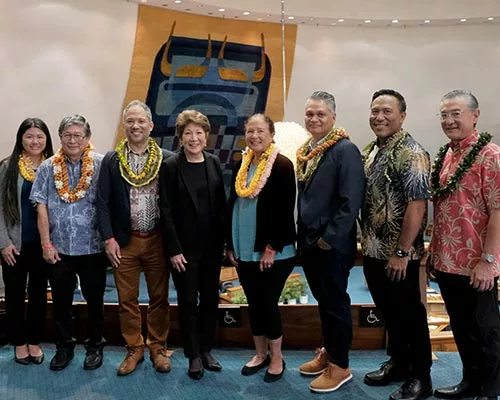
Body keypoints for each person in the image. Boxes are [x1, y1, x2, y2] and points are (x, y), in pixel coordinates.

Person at [361, 89, 433, 400]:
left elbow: (418, 206)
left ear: (402, 116)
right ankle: (399, 364)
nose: (379, 117)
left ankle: (421, 377)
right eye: (375, 110)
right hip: (373, 251)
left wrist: (402, 252)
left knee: (410, 314)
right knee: (390, 313)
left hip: (400, 254)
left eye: (387, 111)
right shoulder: (371, 151)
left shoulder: (412, 153)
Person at [430, 90, 500, 400]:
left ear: (475, 115)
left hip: (477, 262)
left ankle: (490, 389)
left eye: (456, 113)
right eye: (444, 114)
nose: (449, 120)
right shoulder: (446, 154)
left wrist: (488, 260)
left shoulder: (490, 155)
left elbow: (498, 210)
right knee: (461, 327)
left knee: (486, 331)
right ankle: (470, 381)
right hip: (447, 260)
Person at [96, 100, 173, 376]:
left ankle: (158, 347)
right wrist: (109, 238)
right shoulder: (112, 160)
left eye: (141, 121)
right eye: (130, 121)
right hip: (124, 242)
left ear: (151, 126)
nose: (136, 125)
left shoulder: (167, 158)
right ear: (124, 125)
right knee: (126, 299)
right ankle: (134, 348)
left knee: (159, 298)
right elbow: (102, 202)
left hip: (157, 240)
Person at [296, 91, 364, 393]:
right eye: (310, 113)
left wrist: (328, 239)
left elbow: (351, 202)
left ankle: (341, 366)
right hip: (310, 243)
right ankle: (328, 353)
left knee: (336, 305)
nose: (314, 119)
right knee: (324, 304)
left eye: (320, 114)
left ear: (333, 117)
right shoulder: (310, 149)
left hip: (331, 245)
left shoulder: (345, 150)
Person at [30, 114, 108, 371]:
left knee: (95, 299)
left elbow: (110, 204)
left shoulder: (101, 164)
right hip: (59, 248)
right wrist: (46, 244)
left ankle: (95, 345)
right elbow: (40, 205)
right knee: (61, 301)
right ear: (60, 137)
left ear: (87, 138)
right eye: (67, 135)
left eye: (78, 135)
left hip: (93, 247)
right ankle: (64, 347)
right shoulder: (47, 166)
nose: (72, 140)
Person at [226, 114, 296, 383]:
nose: (255, 136)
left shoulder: (281, 165)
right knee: (253, 304)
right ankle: (259, 354)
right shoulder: (240, 165)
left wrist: (272, 247)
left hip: (272, 252)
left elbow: (284, 209)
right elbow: (232, 204)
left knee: (267, 304)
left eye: (260, 131)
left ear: (271, 134)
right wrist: (229, 245)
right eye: (250, 131)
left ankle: (277, 358)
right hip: (243, 248)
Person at [159, 110, 226, 380]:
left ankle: (207, 348)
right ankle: (193, 354)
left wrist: (225, 244)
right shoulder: (172, 166)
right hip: (184, 251)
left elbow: (221, 206)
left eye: (199, 133)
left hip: (211, 247)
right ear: (181, 137)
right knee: (188, 301)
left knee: (210, 300)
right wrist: (174, 249)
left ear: (206, 136)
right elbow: (165, 210)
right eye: (188, 133)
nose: (194, 138)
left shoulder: (213, 162)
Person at [0, 118, 54, 365]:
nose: (35, 141)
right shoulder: (7, 167)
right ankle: (19, 343)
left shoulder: (54, 166)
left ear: (47, 139)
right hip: (15, 245)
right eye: (30, 136)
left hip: (44, 244)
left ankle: (34, 341)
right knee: (14, 295)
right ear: (21, 139)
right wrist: (3, 243)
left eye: (40, 136)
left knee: (39, 295)